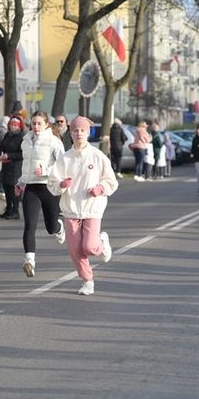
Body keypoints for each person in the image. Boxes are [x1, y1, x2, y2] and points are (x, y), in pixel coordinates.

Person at [47, 116, 118, 295]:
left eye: (82, 131)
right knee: (75, 249)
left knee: (89, 247)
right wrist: (61, 185)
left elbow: (112, 181)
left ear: (88, 133)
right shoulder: (65, 158)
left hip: (92, 209)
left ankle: (101, 243)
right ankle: (88, 281)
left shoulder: (97, 156)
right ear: (71, 133)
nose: (79, 134)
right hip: (71, 209)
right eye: (76, 131)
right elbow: (52, 182)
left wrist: (100, 188)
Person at [17, 111, 66, 278]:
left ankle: (60, 228)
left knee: (51, 228)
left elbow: (63, 166)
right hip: (31, 187)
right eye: (34, 123)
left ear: (46, 124)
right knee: (29, 224)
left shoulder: (54, 142)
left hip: (49, 187)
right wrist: (21, 182)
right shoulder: (26, 141)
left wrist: (45, 170)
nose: (36, 127)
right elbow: (27, 165)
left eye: (39, 123)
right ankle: (29, 260)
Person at [0, 116, 25, 219]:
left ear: (19, 127)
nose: (13, 127)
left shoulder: (21, 137)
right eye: (11, 125)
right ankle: (8, 209)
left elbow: (22, 154)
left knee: (14, 189)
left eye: (15, 125)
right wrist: (1, 155)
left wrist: (9, 156)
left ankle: (15, 211)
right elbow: (2, 146)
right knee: (6, 188)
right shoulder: (7, 135)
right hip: (6, 166)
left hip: (15, 167)